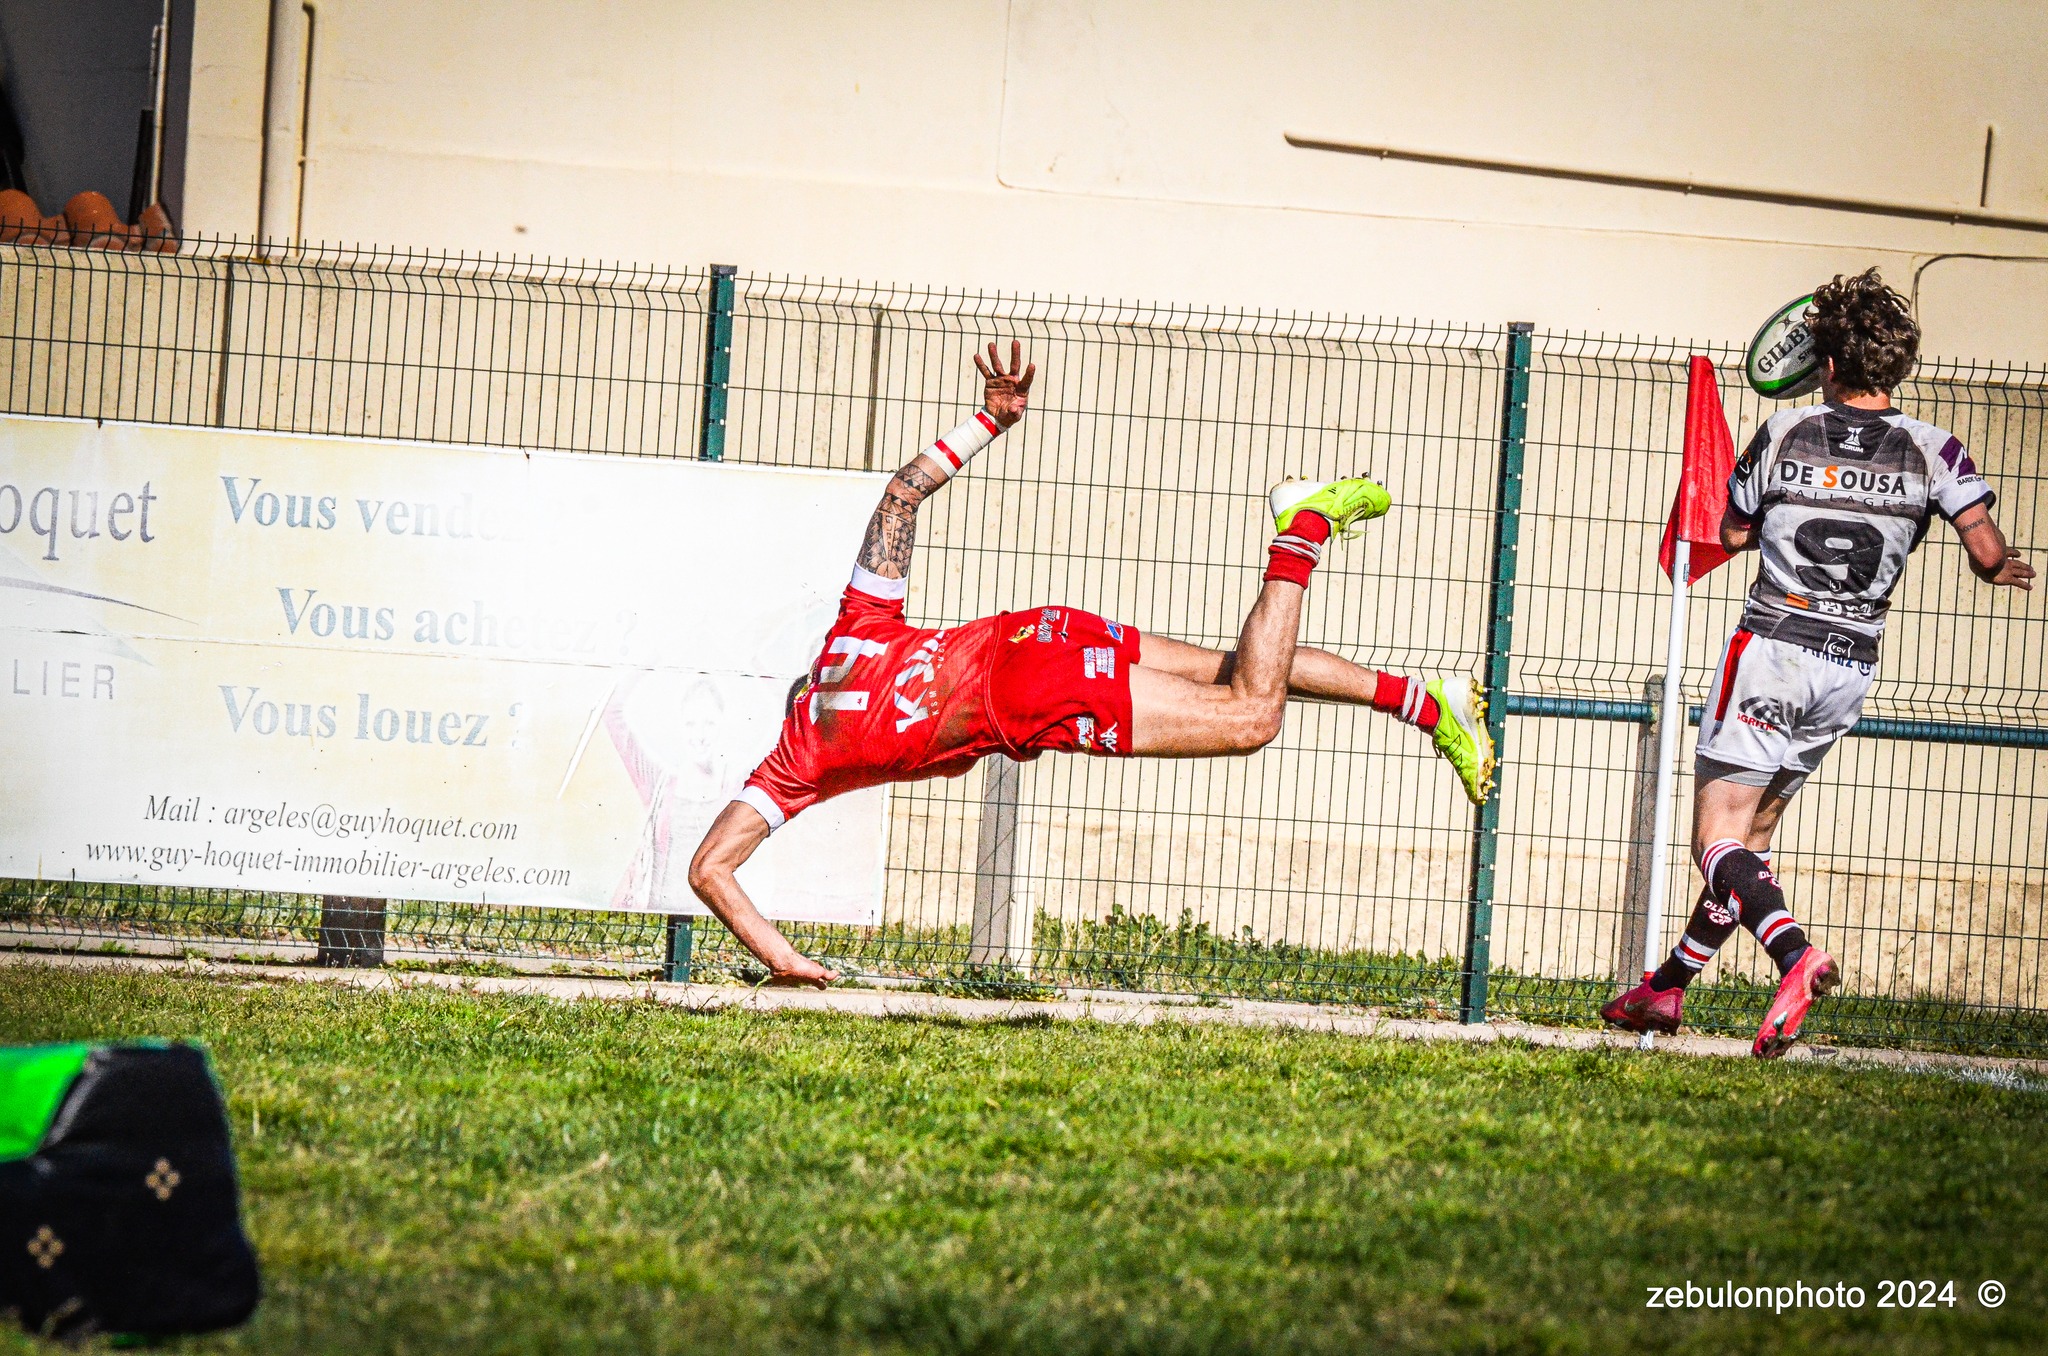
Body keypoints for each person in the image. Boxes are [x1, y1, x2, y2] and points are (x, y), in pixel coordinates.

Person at [687, 341, 1496, 986]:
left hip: (1033, 695)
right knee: (1242, 663)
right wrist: (990, 420)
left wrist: (783, 959)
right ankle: (1426, 703)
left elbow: (710, 871)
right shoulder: (854, 629)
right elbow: (901, 495)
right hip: (1041, 630)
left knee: (1251, 716)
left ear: (803, 705)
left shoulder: (800, 761)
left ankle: (1303, 531)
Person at [1603, 269, 2034, 1057]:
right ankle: (1666, 988)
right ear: (1896, 364)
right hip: (1851, 666)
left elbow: (1731, 537)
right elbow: (1986, 550)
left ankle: (1796, 958)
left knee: (1716, 839)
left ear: (1826, 364)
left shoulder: (1784, 433)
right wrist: (2000, 564)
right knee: (1753, 844)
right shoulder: (1935, 447)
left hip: (1774, 645)